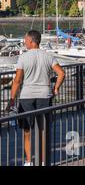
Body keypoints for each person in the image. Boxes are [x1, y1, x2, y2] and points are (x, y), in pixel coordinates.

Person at [9, 30, 66, 166]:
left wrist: (12, 99)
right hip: (44, 96)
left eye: (25, 40)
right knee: (43, 130)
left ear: (31, 41)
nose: (24, 42)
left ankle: (29, 161)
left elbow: (17, 80)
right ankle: (42, 160)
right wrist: (55, 88)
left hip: (27, 97)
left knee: (27, 130)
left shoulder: (23, 57)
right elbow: (62, 74)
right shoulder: (48, 56)